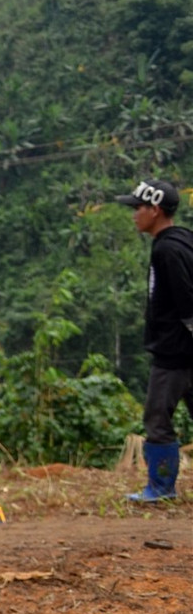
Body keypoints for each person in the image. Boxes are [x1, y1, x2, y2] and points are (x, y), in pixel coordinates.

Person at [114, 177, 192, 502]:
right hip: (187, 351)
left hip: (175, 354)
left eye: (138, 208)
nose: (134, 214)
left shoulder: (166, 249)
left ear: (155, 210)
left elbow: (188, 301)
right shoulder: (185, 240)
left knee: (157, 418)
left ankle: (160, 489)